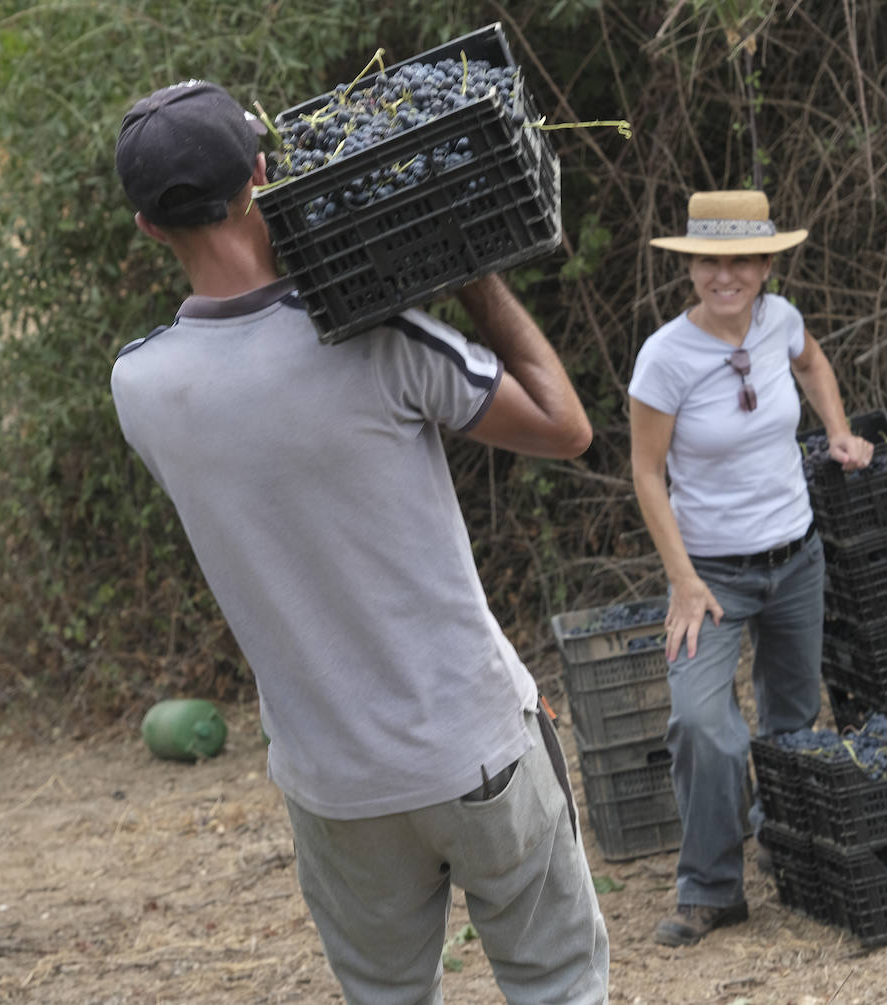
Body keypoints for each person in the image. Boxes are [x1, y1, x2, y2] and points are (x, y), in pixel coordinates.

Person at [110, 80, 608, 1004]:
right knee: (559, 986)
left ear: (148, 227)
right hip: (475, 750)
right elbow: (565, 426)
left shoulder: (139, 387)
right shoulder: (380, 341)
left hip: (333, 783)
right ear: (263, 175)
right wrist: (473, 271)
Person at [627, 189, 874, 947]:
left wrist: (839, 430)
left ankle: (785, 847)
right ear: (691, 267)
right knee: (706, 726)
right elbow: (645, 472)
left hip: (796, 557)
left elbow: (813, 361)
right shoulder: (665, 357)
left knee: (792, 720)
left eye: (740, 260)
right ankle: (710, 888)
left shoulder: (781, 320)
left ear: (765, 265)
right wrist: (684, 579)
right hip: (711, 575)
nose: (723, 275)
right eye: (708, 261)